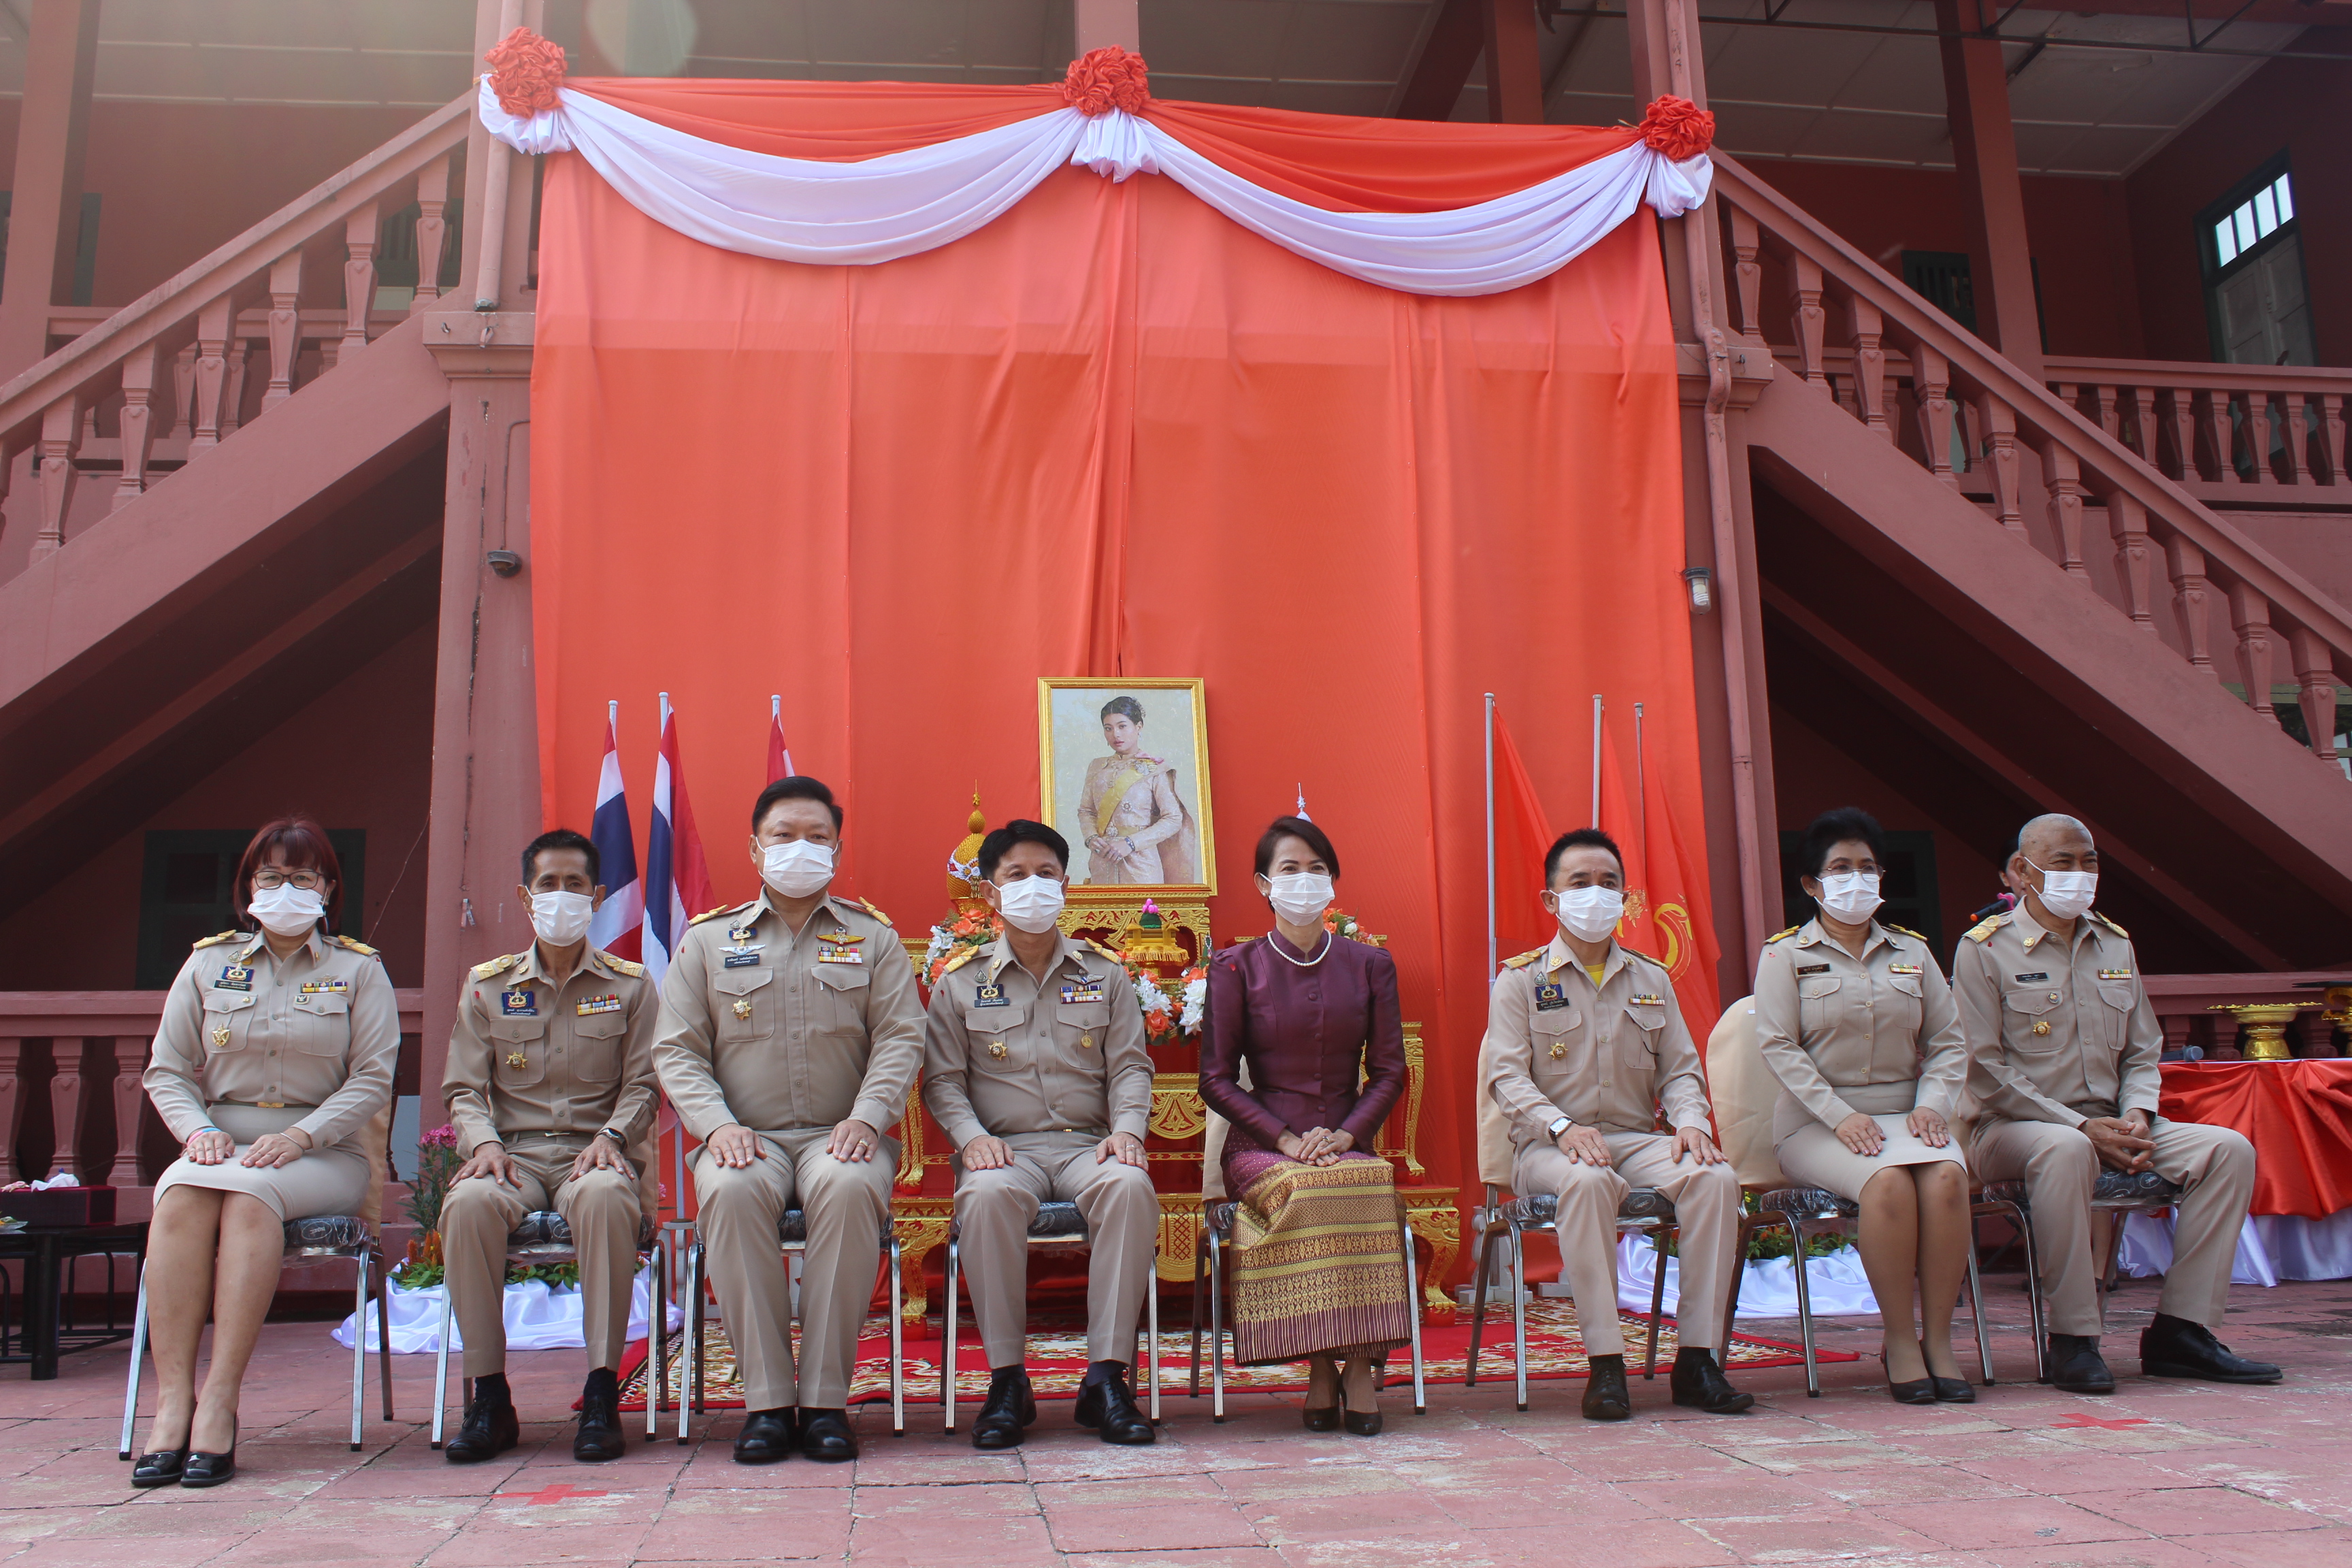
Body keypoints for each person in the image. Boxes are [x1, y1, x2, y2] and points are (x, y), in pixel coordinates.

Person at [1953, 813, 2276, 1394]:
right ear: (2024, 872)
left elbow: (2143, 1050)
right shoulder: (1984, 950)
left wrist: (2138, 1115)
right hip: (2010, 1127)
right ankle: (2074, 1340)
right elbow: (1985, 1070)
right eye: (2063, 863)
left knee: (2227, 1151)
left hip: (2110, 1121)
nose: (2080, 874)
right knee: (2066, 1149)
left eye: (2089, 862)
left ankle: (2181, 1331)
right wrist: (2083, 1125)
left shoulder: (2114, 942)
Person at [652, 777, 923, 1463]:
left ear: (837, 847)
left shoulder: (873, 938)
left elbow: (900, 1036)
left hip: (843, 1134)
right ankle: (770, 1405)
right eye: (784, 835)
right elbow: (676, 1049)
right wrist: (715, 1127)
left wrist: (868, 1118)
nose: (800, 848)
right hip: (745, 1138)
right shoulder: (709, 942)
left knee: (851, 1186)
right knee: (733, 1190)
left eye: (817, 836)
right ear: (755, 847)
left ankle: (826, 1403)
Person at [133, 819, 399, 1488]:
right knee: (180, 1194)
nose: (285, 889)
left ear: (327, 889)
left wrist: (299, 1137)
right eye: (270, 876)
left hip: (323, 1152)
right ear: (248, 887)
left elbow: (372, 1078)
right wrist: (196, 1133)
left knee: (251, 1199)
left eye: (302, 877)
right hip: (219, 1139)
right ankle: (172, 1405)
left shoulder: (358, 970)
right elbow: (167, 1070)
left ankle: (220, 1401)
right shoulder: (206, 964)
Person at [1486, 828, 1754, 1420]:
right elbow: (1506, 1078)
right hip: (1549, 1148)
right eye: (1579, 883)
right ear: (1551, 900)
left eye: (1609, 883)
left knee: (1713, 1178)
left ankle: (1697, 1357)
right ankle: (1606, 1364)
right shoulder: (1521, 981)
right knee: (1587, 1182)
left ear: (1626, 899)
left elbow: (1681, 1071)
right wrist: (1561, 1128)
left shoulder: (1651, 979)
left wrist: (1690, 1123)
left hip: (1634, 1140)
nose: (1596, 894)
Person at [923, 819, 1158, 1449]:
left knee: (1131, 1188)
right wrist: (971, 1138)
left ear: (1067, 885)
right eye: (1016, 876)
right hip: (1006, 1150)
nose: (1033, 887)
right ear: (992, 893)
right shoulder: (960, 980)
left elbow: (1131, 1066)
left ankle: (1107, 1379)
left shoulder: (1104, 974)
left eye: (1046, 875)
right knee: (985, 1196)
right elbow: (942, 1080)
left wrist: (1128, 1131)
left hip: (1089, 1146)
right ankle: (1008, 1381)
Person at [438, 828, 659, 1464]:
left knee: (606, 1201)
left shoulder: (632, 985)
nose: (560, 897)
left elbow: (645, 1085)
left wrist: (613, 1138)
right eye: (547, 885)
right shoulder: (487, 986)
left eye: (573, 886)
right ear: (525, 896)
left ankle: (600, 1391)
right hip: (513, 1154)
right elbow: (463, 1087)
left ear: (596, 896)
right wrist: (480, 1144)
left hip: (598, 1150)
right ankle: (490, 1397)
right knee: (469, 1207)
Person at [1753, 808, 1976, 1404]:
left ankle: (1941, 1342)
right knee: (1888, 1186)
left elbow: (1950, 1040)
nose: (1857, 879)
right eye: (1841, 868)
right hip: (1817, 1124)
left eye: (1868, 867)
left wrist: (1933, 1102)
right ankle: (1901, 1340)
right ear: (1811, 885)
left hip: (1907, 1116)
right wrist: (1838, 1115)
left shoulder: (1913, 952)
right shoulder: (1785, 956)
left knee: (1949, 1179)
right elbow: (1778, 1045)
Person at [1198, 816, 1411, 1435]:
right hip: (1264, 1145)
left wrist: (1347, 1135)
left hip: (1346, 1138)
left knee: (1363, 1181)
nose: (1305, 880)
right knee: (1315, 1187)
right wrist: (1287, 1140)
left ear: (1334, 881)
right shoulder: (1236, 968)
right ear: (1265, 885)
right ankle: (1324, 1364)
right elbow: (1215, 1078)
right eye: (1290, 869)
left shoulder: (1371, 965)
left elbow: (1391, 1071)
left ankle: (1355, 1372)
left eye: (1317, 868)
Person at [1076, 696, 1196, 884]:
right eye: (1108, 728)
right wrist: (1091, 838)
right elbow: (1086, 811)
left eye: (1122, 726)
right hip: (1103, 862)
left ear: (1138, 727)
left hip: (1142, 864)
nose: (1115, 734)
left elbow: (1173, 819)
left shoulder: (1155, 768)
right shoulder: (1097, 767)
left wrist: (1131, 844)